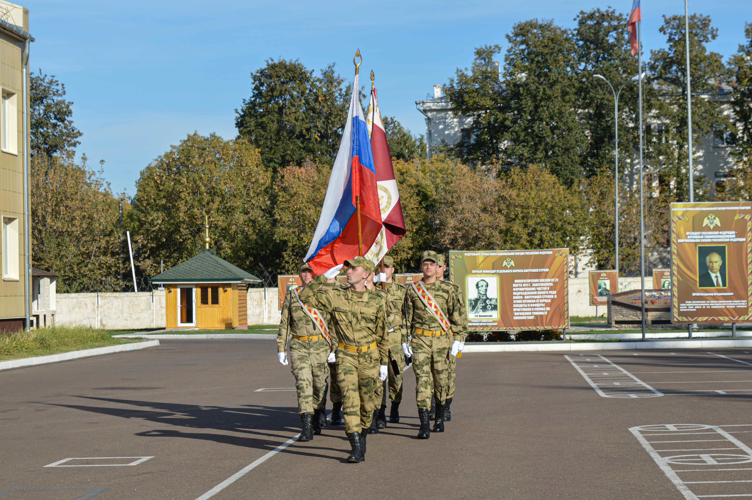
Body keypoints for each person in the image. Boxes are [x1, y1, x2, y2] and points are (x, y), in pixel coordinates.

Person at [311, 257, 389, 463]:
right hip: (346, 356)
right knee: (350, 401)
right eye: (348, 268)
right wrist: (322, 278)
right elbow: (306, 298)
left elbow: (382, 334)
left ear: (365, 275)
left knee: (367, 404)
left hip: (370, 357)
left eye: (354, 268)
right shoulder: (336, 296)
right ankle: (355, 445)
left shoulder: (378, 300)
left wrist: (383, 362)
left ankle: (362, 434)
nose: (349, 271)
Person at [404, 251, 467, 439]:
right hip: (420, 340)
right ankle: (424, 424)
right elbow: (407, 318)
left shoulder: (449, 289)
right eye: (425, 264)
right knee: (422, 381)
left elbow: (457, 316)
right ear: (421, 267)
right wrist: (404, 339)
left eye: (432, 264)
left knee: (441, 381)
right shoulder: (412, 289)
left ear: (437, 266)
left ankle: (439, 419)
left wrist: (459, 339)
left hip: (441, 341)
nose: (429, 267)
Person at [276, 263, 331, 441]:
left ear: (314, 274)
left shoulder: (323, 294)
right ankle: (306, 426)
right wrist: (281, 348)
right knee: (303, 384)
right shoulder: (293, 295)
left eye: (309, 271)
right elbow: (285, 322)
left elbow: (333, 323)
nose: (306, 275)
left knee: (319, 385)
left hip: (320, 346)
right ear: (299, 274)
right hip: (299, 346)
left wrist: (334, 348)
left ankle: (317, 412)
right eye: (303, 272)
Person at [436, 253, 465, 422]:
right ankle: (434, 406)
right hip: (429, 339)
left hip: (448, 338)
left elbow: (460, 314)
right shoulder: (420, 289)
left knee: (447, 374)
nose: (437, 269)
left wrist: (460, 338)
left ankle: (446, 405)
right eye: (435, 265)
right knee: (430, 376)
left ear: (444, 268)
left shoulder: (453, 289)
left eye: (440, 266)